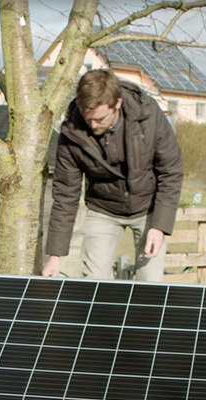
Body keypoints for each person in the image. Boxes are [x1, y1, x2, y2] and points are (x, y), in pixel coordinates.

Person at [42, 68, 183, 282]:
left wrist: (160, 226)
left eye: (99, 119)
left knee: (150, 283)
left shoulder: (148, 116)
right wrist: (54, 256)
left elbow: (171, 171)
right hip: (102, 209)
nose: (92, 125)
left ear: (117, 103)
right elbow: (65, 195)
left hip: (148, 208)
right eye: (88, 118)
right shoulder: (72, 132)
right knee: (94, 281)